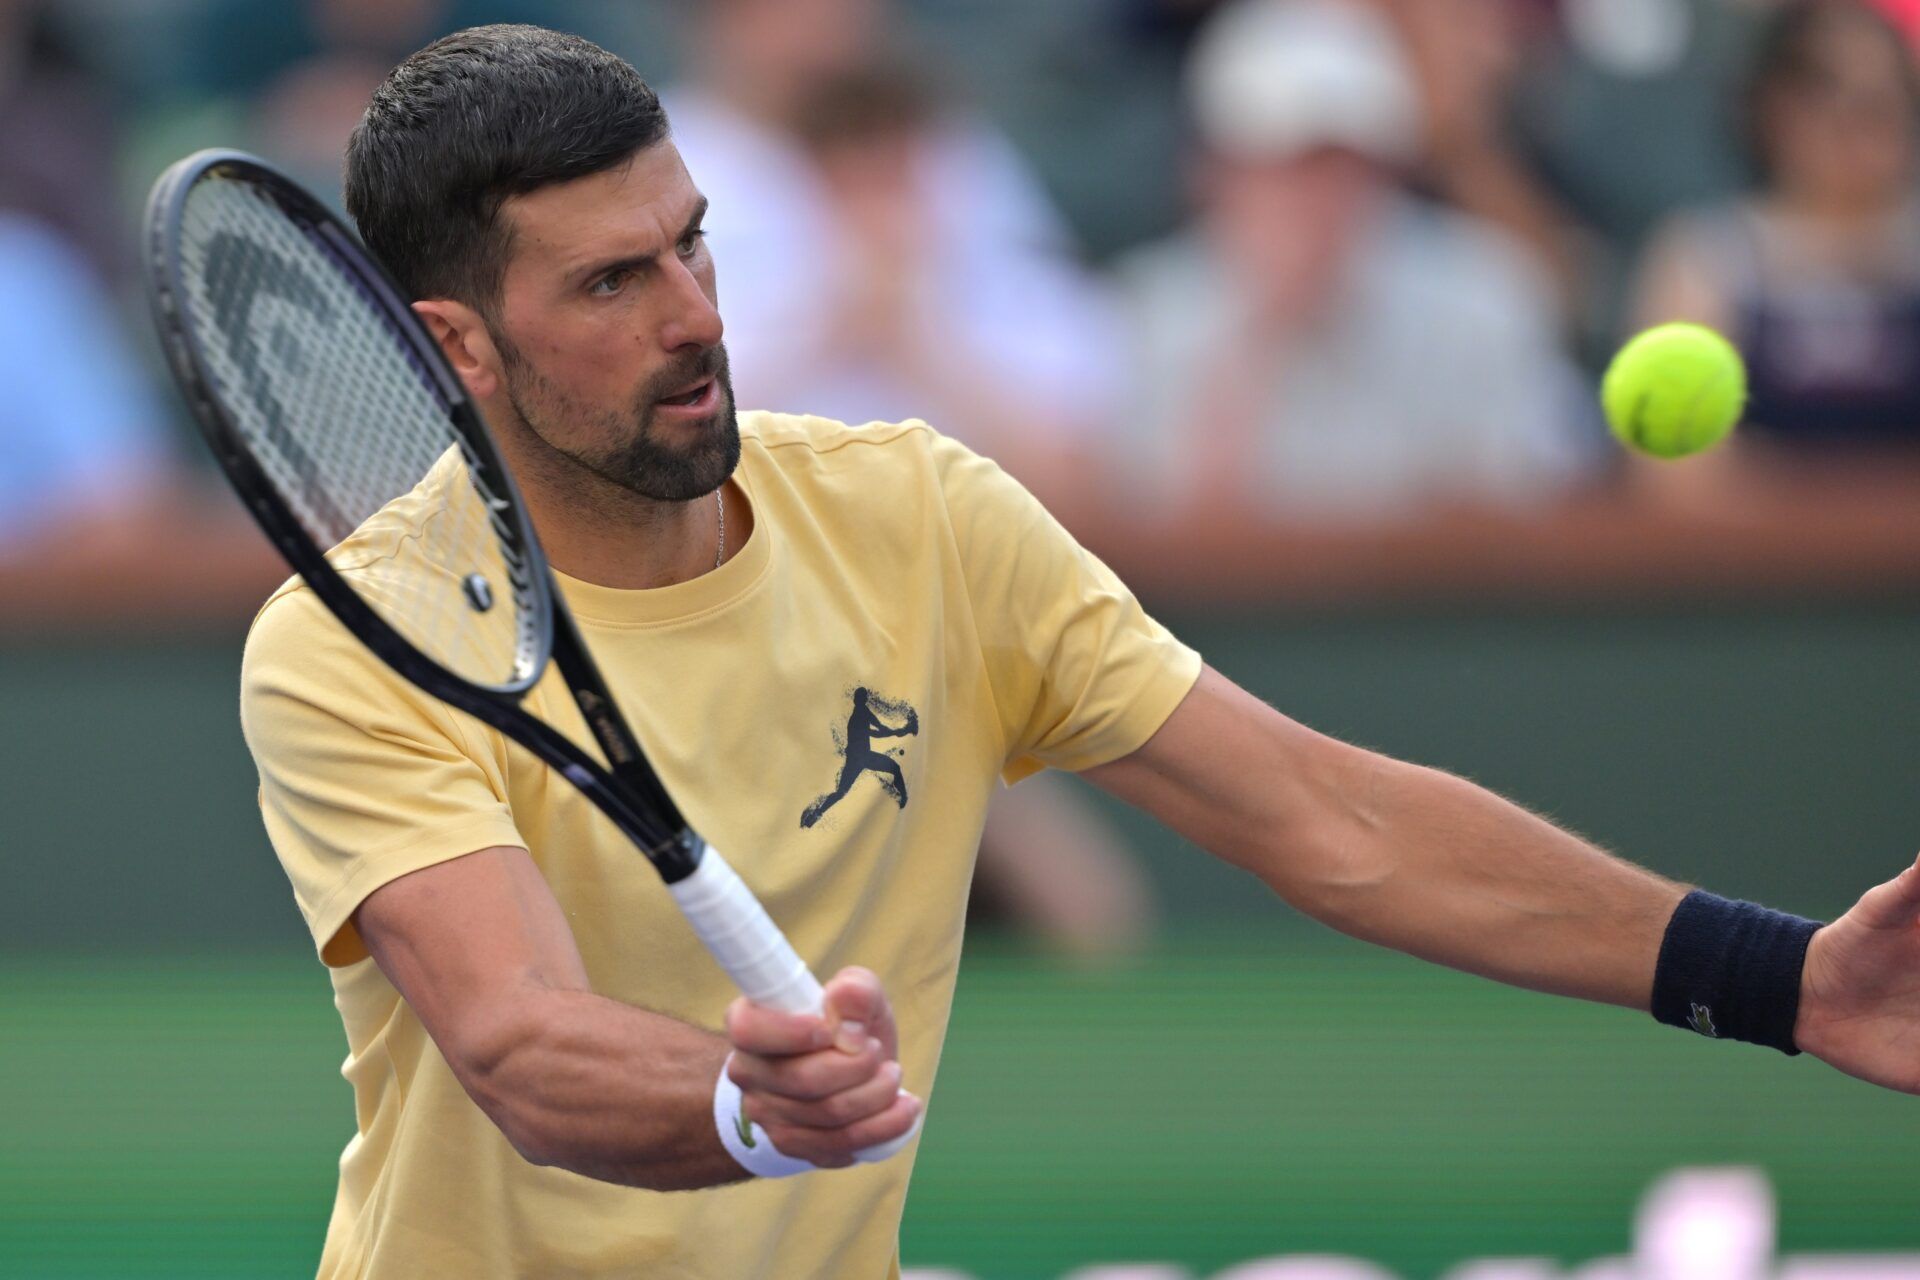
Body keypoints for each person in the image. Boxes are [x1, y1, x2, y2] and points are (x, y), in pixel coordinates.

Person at [238, 24, 1920, 1280]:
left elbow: (1331, 821)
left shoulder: (921, 516)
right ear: (458, 346)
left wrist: (1784, 979)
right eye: (613, 283)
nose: (695, 316)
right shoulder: (347, 639)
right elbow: (520, 1039)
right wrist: (747, 1105)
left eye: (693, 242)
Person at [1110, 0, 1597, 524]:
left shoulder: (1486, 298)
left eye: (1341, 168)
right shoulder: (1147, 319)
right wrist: (1249, 355)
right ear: (1217, 174)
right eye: (1281, 167)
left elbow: (1538, 509)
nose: (1312, 201)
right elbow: (1146, 531)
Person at [1632, 0, 1920, 470]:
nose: (1851, 130)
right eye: (1825, 97)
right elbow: (1674, 460)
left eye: (1878, 106)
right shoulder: (1709, 258)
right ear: (1772, 108)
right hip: (1756, 517)